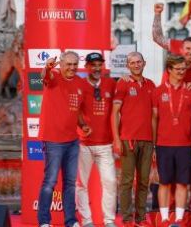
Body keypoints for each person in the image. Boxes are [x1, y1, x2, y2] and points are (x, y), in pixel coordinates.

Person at [37, 51, 87, 227]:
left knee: (70, 183)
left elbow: (79, 111)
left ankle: (71, 221)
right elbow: (45, 76)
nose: (72, 68)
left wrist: (83, 125)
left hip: (73, 141)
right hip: (53, 140)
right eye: (68, 64)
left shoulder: (81, 82)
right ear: (61, 65)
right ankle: (44, 221)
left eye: (75, 64)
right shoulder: (54, 77)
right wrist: (47, 66)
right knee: (50, 182)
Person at [112, 52, 156, 227]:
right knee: (127, 181)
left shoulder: (151, 85)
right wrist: (116, 139)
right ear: (127, 65)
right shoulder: (122, 83)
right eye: (132, 62)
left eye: (139, 62)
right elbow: (115, 113)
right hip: (128, 139)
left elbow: (154, 116)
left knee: (144, 181)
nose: (136, 65)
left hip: (147, 140)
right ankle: (127, 219)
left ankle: (140, 218)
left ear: (144, 63)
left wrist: (155, 142)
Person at [152, 55, 191, 227]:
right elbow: (154, 119)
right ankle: (163, 219)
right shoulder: (158, 91)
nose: (181, 72)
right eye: (178, 69)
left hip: (185, 144)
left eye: (184, 69)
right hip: (163, 144)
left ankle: (178, 219)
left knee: (182, 183)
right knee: (164, 182)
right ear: (169, 70)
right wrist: (154, 145)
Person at [76, 52, 117, 227]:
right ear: (87, 67)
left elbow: (118, 112)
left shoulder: (111, 84)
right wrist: (82, 124)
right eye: (93, 65)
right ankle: (87, 221)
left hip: (105, 144)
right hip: (84, 143)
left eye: (99, 64)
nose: (97, 68)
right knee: (81, 184)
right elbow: (74, 108)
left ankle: (109, 220)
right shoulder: (79, 84)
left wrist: (117, 138)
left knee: (110, 182)